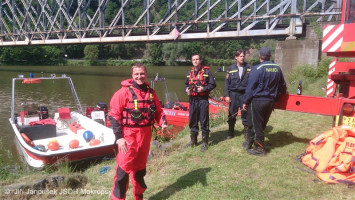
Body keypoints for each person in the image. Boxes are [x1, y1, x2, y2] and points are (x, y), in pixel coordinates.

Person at [109, 63, 168, 200]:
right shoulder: (122, 93)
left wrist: (163, 123)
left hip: (145, 137)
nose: (139, 76)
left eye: (142, 73)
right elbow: (113, 116)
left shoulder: (151, 93)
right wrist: (119, 138)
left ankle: (138, 197)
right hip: (128, 138)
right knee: (122, 172)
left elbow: (158, 112)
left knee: (140, 172)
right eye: (136, 74)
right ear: (132, 75)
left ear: (146, 74)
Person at [242, 47, 287, 156]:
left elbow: (250, 87)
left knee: (257, 124)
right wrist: (283, 93)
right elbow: (282, 85)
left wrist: (245, 102)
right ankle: (260, 142)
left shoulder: (257, 68)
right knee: (263, 123)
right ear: (270, 56)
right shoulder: (277, 68)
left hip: (259, 100)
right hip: (271, 101)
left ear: (259, 56)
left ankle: (259, 149)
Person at [184, 54, 216, 152]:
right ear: (192, 61)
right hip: (193, 99)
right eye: (193, 59)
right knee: (193, 120)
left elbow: (213, 84)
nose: (195, 61)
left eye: (197, 59)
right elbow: (186, 84)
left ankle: (205, 142)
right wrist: (186, 89)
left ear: (200, 60)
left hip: (202, 99)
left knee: (203, 120)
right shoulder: (189, 73)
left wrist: (204, 88)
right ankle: (193, 141)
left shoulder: (207, 72)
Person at [224, 50, 252, 139]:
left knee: (245, 114)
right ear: (236, 57)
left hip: (244, 94)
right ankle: (230, 133)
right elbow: (226, 83)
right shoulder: (230, 68)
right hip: (233, 94)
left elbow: (252, 82)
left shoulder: (249, 67)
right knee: (232, 114)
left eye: (243, 56)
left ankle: (246, 133)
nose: (242, 58)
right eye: (240, 56)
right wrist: (227, 95)